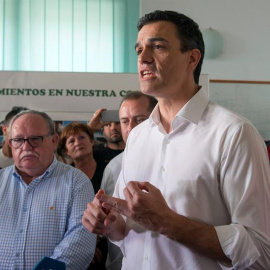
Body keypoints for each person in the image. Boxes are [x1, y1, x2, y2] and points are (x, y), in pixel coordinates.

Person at [82, 10, 270, 270]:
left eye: (157, 47)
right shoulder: (137, 136)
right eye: (139, 50)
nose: (143, 58)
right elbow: (126, 230)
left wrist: (166, 222)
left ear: (192, 58)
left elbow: (260, 252)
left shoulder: (233, 133)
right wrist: (109, 223)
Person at [0, 110, 96, 270]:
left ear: (54, 140)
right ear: (10, 144)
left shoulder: (76, 181)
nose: (26, 147)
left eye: (35, 139)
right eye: (18, 140)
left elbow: (81, 237)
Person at [100, 91, 157, 270]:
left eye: (139, 120)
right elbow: (115, 222)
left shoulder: (178, 159)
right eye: (125, 121)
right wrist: (102, 218)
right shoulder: (115, 166)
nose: (131, 127)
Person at [59, 122, 108, 270]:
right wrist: (84, 247)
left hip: (108, 242)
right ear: (66, 151)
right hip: (74, 247)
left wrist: (94, 242)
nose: (78, 143)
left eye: (82, 137)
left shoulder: (108, 169)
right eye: (71, 141)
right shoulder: (63, 178)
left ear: (92, 141)